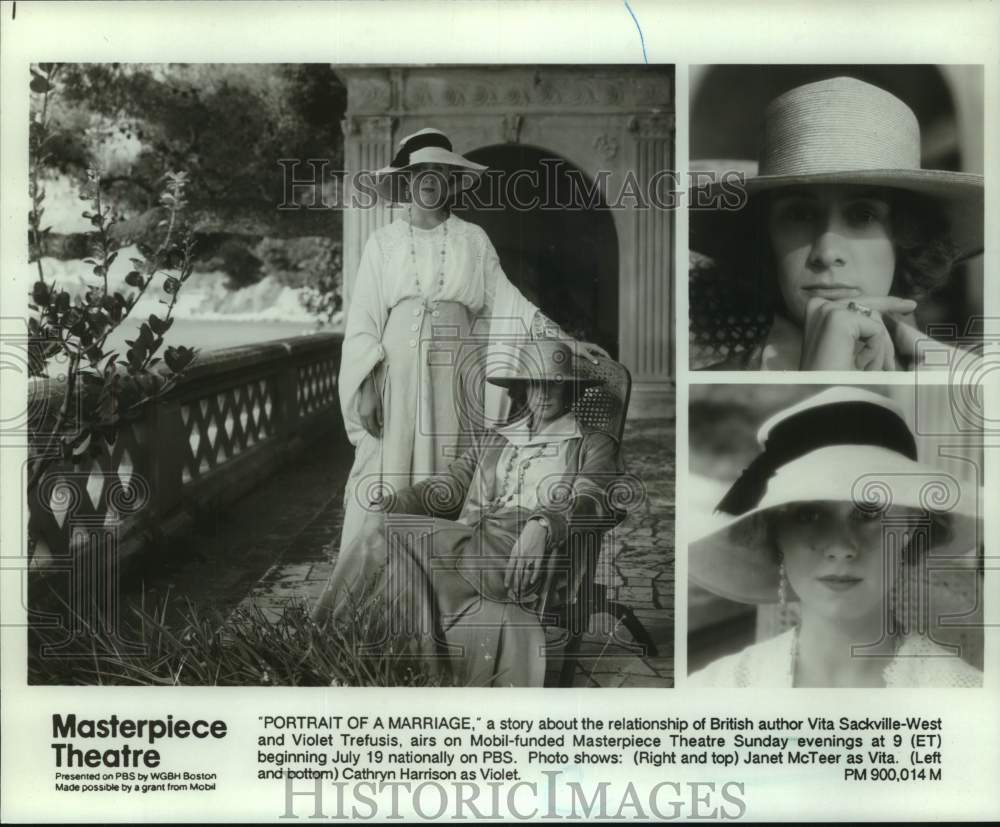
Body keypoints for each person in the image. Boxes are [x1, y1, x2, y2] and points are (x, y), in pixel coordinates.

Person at [338, 127, 607, 556]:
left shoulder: (473, 240)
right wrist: (367, 384)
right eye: (420, 171)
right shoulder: (382, 242)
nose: (429, 179)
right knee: (391, 468)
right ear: (406, 180)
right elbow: (363, 319)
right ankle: (380, 581)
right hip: (398, 375)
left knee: (450, 464)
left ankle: (437, 578)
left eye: (440, 172)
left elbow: (510, 304)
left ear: (453, 182)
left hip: (456, 373)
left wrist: (567, 343)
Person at [313, 340, 623, 686]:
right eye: (537, 382)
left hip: (526, 555)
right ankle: (370, 657)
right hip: (470, 538)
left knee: (384, 539)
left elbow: (593, 497)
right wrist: (395, 503)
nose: (546, 392)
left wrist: (544, 524)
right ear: (523, 386)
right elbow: (450, 486)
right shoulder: (497, 439)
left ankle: (322, 646)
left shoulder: (592, 443)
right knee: (384, 536)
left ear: (571, 390)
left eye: (557, 383)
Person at [687, 387, 983, 688]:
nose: (841, 548)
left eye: (869, 513)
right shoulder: (712, 690)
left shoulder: (967, 699)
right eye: (809, 515)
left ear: (909, 526)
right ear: (775, 535)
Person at [689, 76, 983, 371]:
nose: (827, 253)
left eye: (863, 215)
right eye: (799, 215)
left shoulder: (971, 381)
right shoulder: (706, 394)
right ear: (764, 236)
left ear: (908, 237)